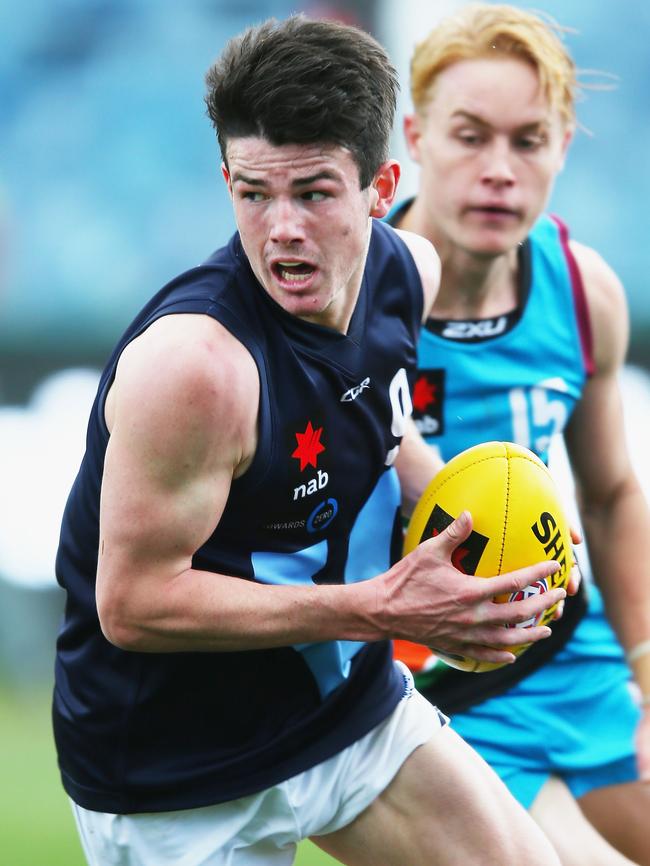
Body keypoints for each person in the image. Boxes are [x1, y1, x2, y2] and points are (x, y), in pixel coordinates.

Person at [52, 15, 568, 866]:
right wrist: (384, 608)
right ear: (226, 180)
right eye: (254, 192)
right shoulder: (196, 368)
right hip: (175, 772)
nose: (282, 227)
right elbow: (133, 603)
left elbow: (380, 425)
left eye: (315, 193)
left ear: (380, 184)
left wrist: (487, 553)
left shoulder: (411, 274)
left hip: (344, 706)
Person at [388, 5, 650, 865]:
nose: (499, 170)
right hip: (428, 684)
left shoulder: (583, 292)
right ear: (417, 137)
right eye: (471, 137)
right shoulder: (350, 300)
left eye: (528, 141)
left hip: (575, 650)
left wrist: (648, 672)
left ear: (563, 147)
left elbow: (610, 496)